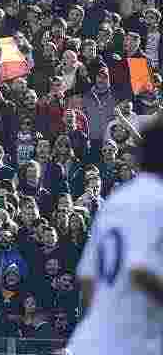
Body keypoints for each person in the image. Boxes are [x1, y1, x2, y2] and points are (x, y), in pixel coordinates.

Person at [67, 121, 163, 355]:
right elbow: (139, 269)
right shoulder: (157, 199)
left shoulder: (116, 200)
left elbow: (89, 281)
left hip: (94, 340)